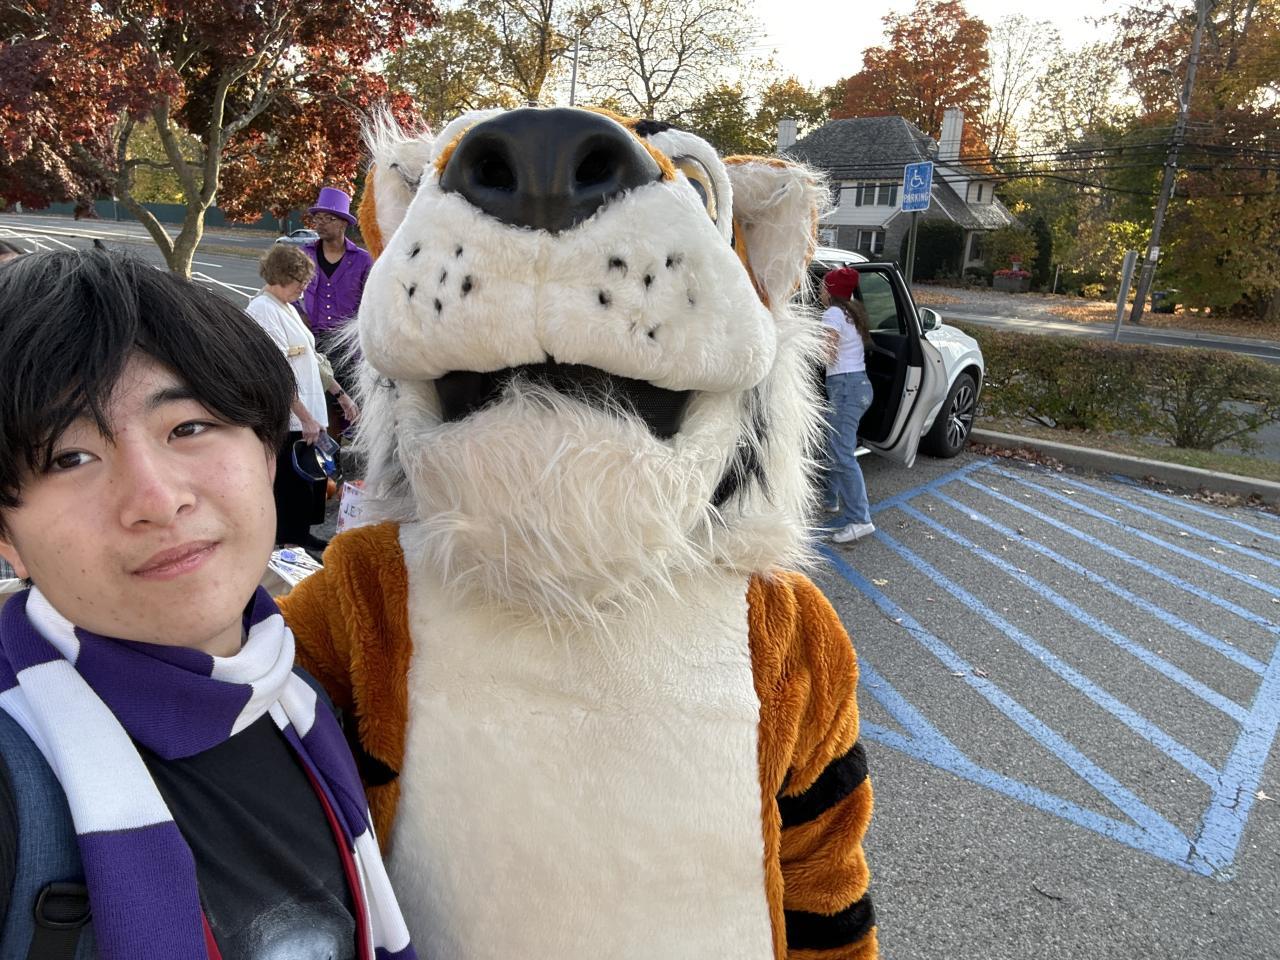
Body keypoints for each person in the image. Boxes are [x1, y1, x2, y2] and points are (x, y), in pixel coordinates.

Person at [0, 250, 413, 959]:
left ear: (264, 453)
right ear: (7, 538)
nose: (158, 500)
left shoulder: (300, 698)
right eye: (69, 457)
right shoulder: (15, 789)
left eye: (187, 428)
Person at [246, 244, 356, 553]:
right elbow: (277, 371)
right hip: (291, 417)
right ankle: (289, 543)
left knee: (309, 480)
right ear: (280, 276)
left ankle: (301, 535)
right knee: (291, 484)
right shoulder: (262, 311)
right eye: (300, 283)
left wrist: (341, 395)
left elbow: (313, 359)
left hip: (309, 412)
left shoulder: (287, 307)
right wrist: (304, 417)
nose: (303, 290)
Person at [820, 266, 877, 543]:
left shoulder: (832, 314)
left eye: (822, 285)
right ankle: (830, 498)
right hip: (857, 386)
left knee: (842, 453)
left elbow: (827, 355)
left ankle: (860, 520)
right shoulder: (850, 313)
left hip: (845, 388)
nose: (819, 290)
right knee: (835, 444)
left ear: (830, 291)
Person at [301, 186, 373, 403]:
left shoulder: (363, 260)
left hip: (348, 348)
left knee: (352, 405)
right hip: (312, 342)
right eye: (318, 218)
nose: (320, 223)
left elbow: (370, 304)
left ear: (343, 223)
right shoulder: (304, 255)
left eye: (328, 218)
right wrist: (299, 316)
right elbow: (287, 289)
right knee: (316, 403)